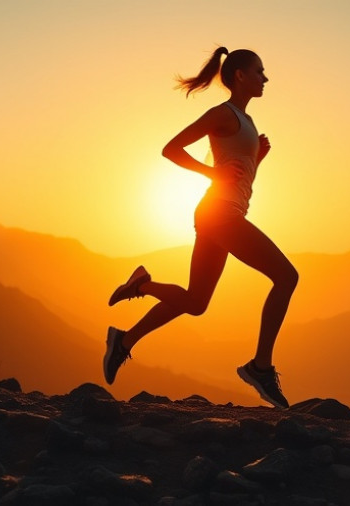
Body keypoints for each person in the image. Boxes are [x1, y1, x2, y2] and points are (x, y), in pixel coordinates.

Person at [103, 47, 299, 409]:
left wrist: (257, 158)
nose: (265, 78)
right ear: (240, 75)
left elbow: (236, 170)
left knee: (195, 302)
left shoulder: (246, 121)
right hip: (220, 214)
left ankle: (128, 326)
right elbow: (171, 149)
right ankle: (260, 367)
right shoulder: (222, 114)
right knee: (287, 277)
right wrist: (211, 173)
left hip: (220, 213)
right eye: (260, 71)